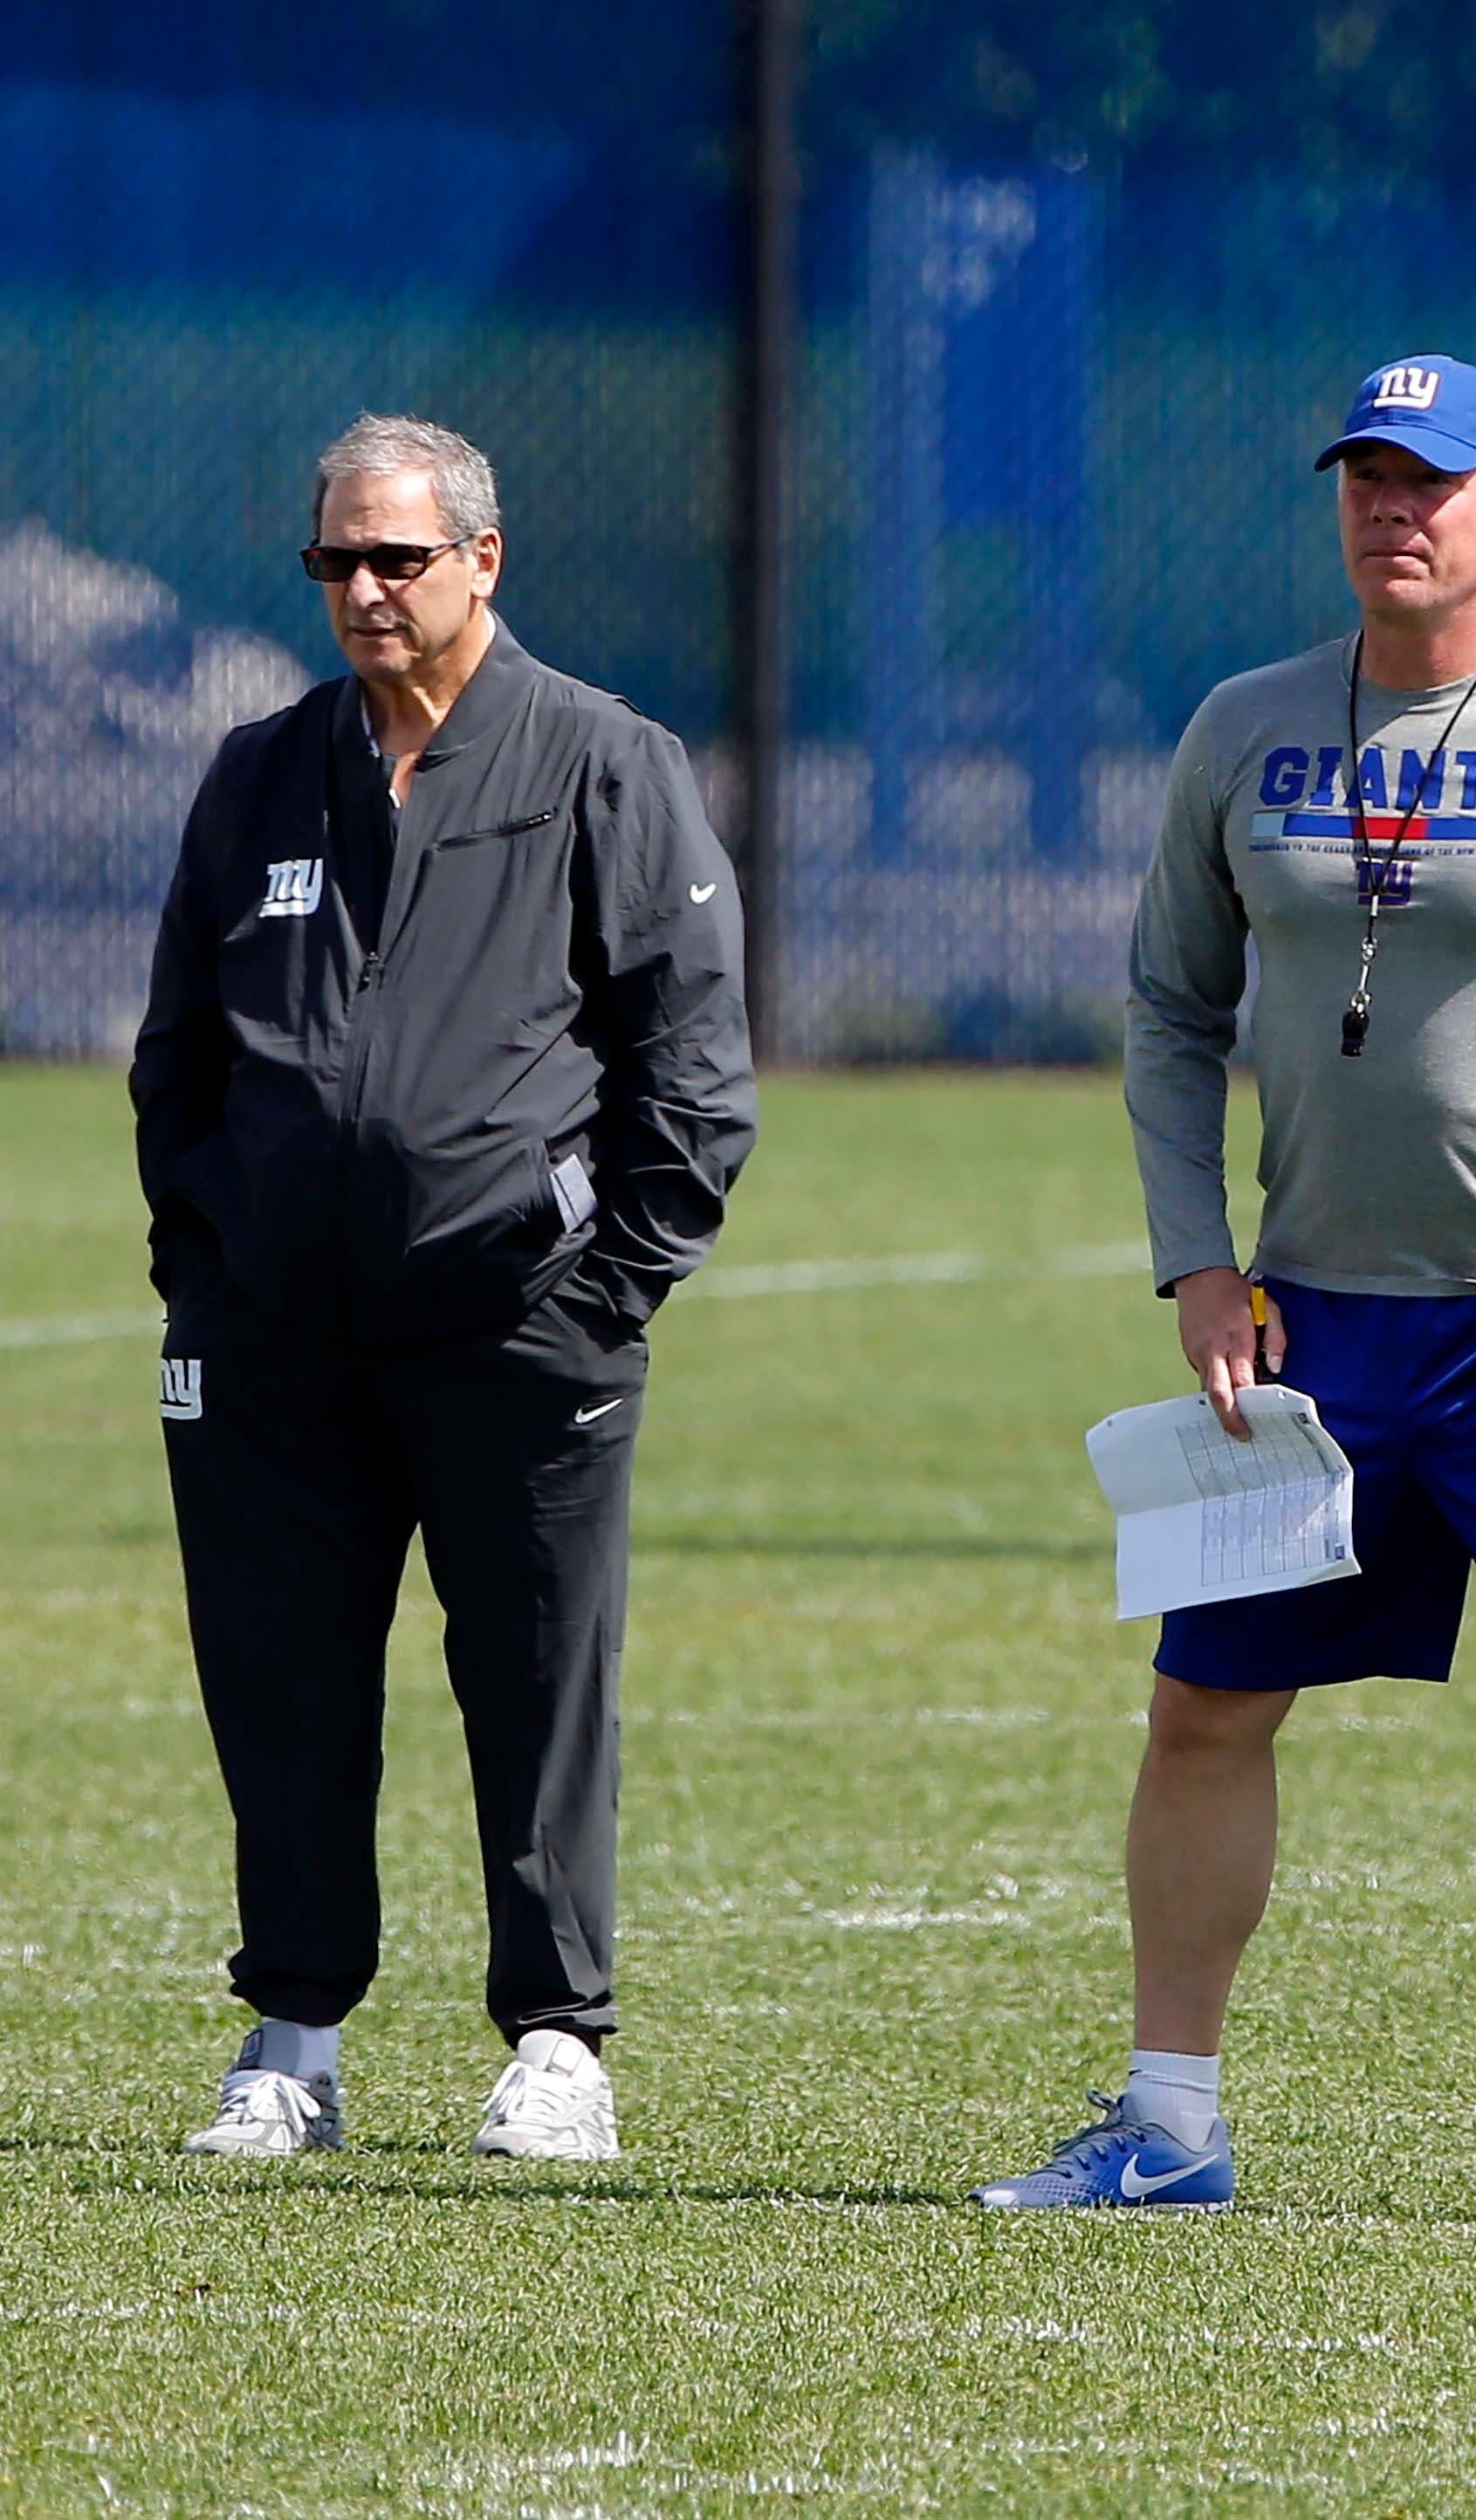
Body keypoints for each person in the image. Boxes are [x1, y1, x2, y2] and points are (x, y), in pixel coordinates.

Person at [971, 354, 1476, 2237]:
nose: (1390, 508)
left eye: (1430, 479)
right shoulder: (1243, 730)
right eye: (1363, 476)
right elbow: (1174, 1012)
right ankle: (1171, 2125)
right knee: (1203, 1714)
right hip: (1310, 1338)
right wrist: (1196, 1257)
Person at [130, 414, 756, 2160]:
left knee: (541, 1675)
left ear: (485, 558)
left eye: (396, 557)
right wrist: (210, 1271)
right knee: (281, 1673)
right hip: (276, 1339)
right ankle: (294, 2039)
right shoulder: (260, 768)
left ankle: (559, 2043)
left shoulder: (602, 760)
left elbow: (692, 1067)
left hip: (518, 1324)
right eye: (334, 560)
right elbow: (177, 1052)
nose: (363, 591)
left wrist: (603, 1285)